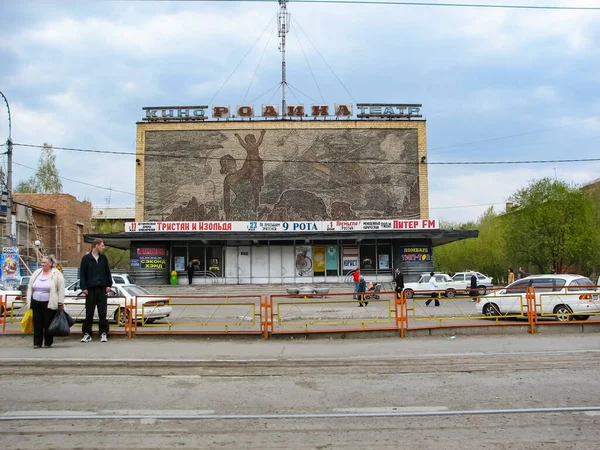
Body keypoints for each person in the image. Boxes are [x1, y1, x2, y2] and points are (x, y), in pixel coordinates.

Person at [26, 254, 65, 349]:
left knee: (48, 323)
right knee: (37, 323)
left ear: (50, 264)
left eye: (44, 262)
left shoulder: (56, 274)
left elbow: (61, 289)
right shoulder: (37, 272)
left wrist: (60, 302)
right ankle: (37, 343)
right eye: (42, 262)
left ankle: (48, 342)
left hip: (49, 302)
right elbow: (30, 286)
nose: (42, 264)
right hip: (36, 301)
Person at [80, 238, 112, 343]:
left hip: (102, 288)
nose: (103, 247)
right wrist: (83, 287)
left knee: (102, 311)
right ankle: (87, 333)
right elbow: (82, 274)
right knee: (89, 312)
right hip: (90, 289)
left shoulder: (103, 258)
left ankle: (103, 333)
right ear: (96, 245)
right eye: (102, 245)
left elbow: (108, 272)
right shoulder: (86, 259)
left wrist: (109, 284)